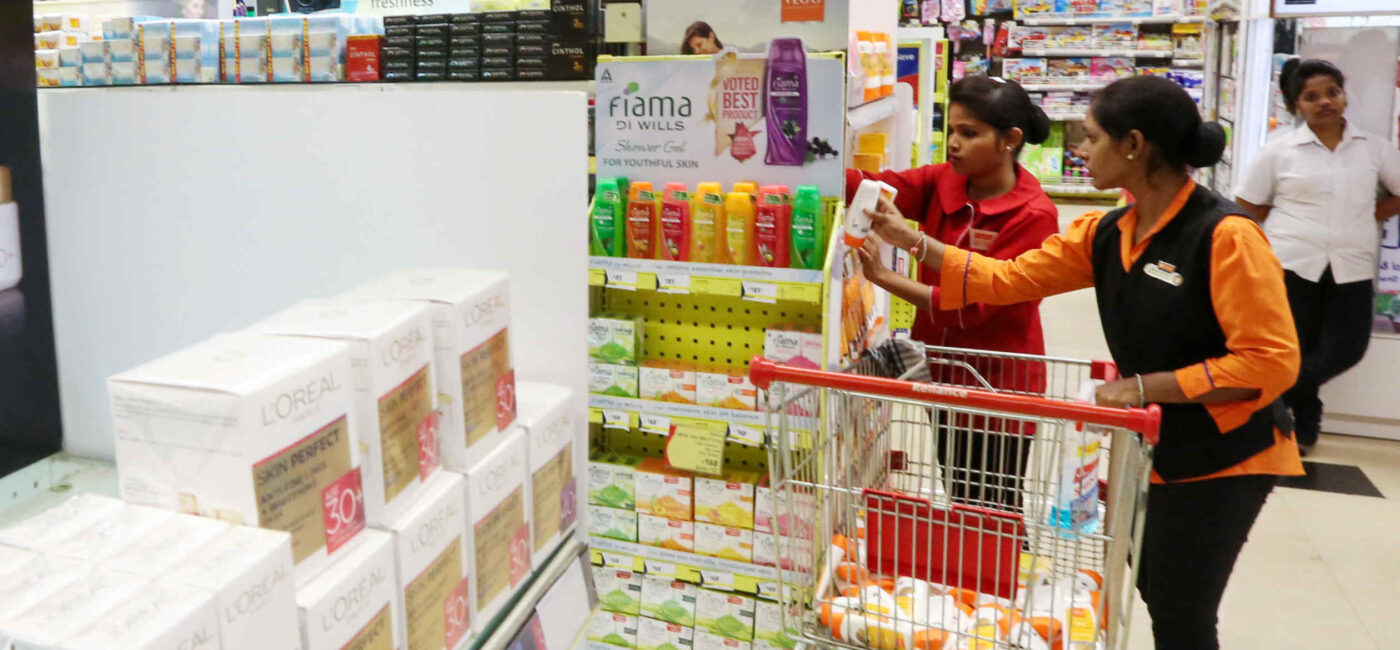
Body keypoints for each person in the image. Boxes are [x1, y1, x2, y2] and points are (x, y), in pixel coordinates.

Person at [857, 75, 1303, 650]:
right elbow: (1009, 278)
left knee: (1182, 609)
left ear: (1134, 145)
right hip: (1154, 444)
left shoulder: (1226, 236)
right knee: (1154, 586)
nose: (1080, 149)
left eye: (1091, 138)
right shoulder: (1108, 231)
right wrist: (913, 242)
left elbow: (1270, 363)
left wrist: (1140, 388)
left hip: (1229, 452)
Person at [849, 76, 1058, 508]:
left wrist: (887, 276)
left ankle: (1001, 552)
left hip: (997, 390)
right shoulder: (944, 180)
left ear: (1010, 140)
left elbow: (975, 308)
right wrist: (817, 165)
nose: (954, 144)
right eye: (952, 130)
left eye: (969, 133)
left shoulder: (1034, 215)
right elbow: (876, 186)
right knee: (961, 497)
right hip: (944, 374)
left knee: (992, 508)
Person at [1235, 59, 1400, 455]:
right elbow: (1247, 204)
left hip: (1351, 264)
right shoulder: (1278, 151)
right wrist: (1285, 225)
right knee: (1296, 346)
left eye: (1332, 92)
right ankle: (1305, 429)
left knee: (1347, 348)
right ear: (1296, 105)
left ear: (1344, 96)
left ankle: (1266, 400)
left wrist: (1368, 214)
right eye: (1311, 97)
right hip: (1291, 264)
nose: (1325, 102)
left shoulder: (1373, 147)